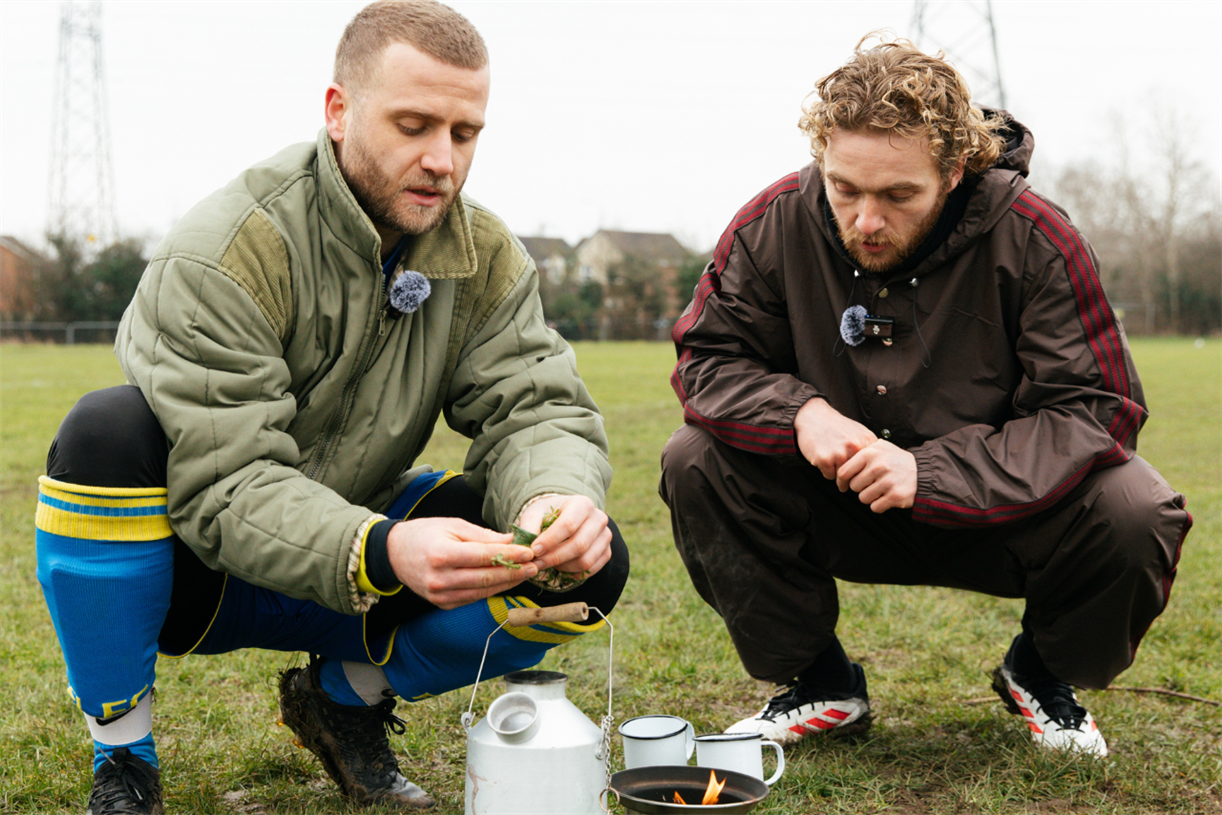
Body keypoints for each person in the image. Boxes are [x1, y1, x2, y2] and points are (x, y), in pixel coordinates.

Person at [34, 2, 628, 812]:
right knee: (104, 433)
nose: (442, 161)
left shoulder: (483, 254)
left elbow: (536, 405)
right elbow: (230, 483)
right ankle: (124, 756)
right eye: (414, 124)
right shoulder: (226, 248)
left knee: (585, 561)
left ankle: (343, 698)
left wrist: (551, 498)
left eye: (464, 133)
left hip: (372, 554)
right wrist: (379, 547)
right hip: (202, 572)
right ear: (338, 113)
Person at [658, 36, 1189, 758]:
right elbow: (709, 357)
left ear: (957, 168)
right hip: (836, 500)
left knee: (1138, 508)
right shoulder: (772, 223)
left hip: (997, 512)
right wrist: (800, 413)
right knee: (694, 457)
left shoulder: (1040, 238)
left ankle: (1039, 671)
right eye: (844, 188)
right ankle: (819, 683)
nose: (865, 220)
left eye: (898, 195)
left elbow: (1093, 408)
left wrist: (928, 473)